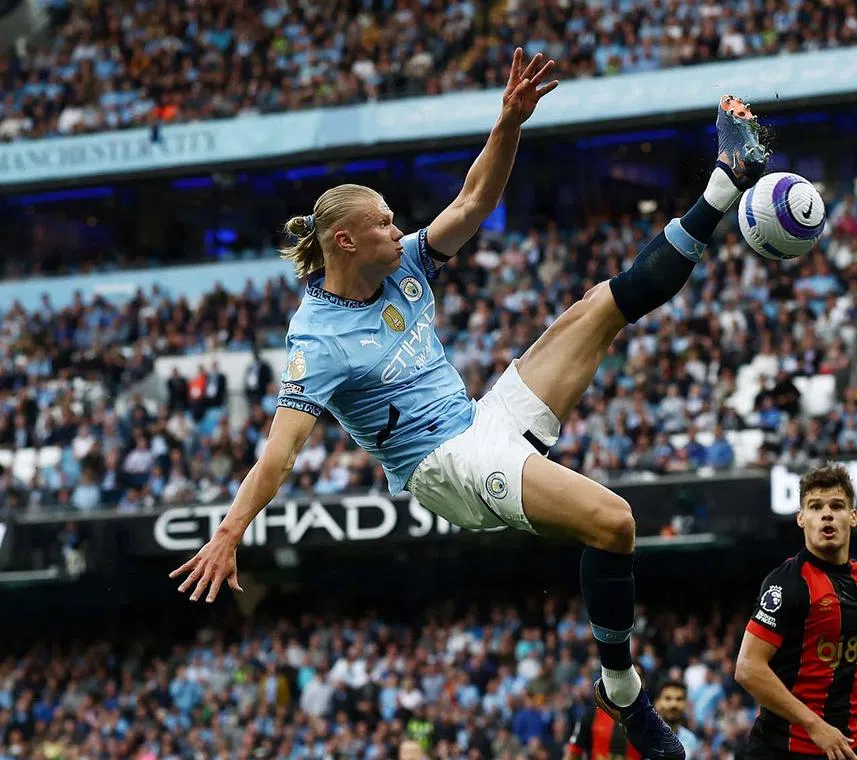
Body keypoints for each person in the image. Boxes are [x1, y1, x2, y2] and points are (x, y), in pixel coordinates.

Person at [168, 45, 773, 760]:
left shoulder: (403, 266)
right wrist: (232, 529)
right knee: (615, 522)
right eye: (387, 224)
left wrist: (509, 119)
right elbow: (280, 451)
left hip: (483, 420)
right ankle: (624, 690)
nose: (401, 231)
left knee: (599, 307)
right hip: (445, 466)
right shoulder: (317, 341)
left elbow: (474, 201)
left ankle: (727, 183)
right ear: (345, 241)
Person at [733, 463, 857, 760]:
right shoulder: (788, 583)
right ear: (802, 519)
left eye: (837, 506)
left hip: (847, 741)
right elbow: (748, 668)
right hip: (785, 748)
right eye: (815, 507)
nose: (827, 513)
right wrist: (814, 724)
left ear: (852, 517)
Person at [566, 680, 701, 760]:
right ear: (657, 702)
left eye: (679, 699)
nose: (673, 705)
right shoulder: (641, 733)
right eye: (668, 699)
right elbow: (573, 752)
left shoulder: (692, 741)